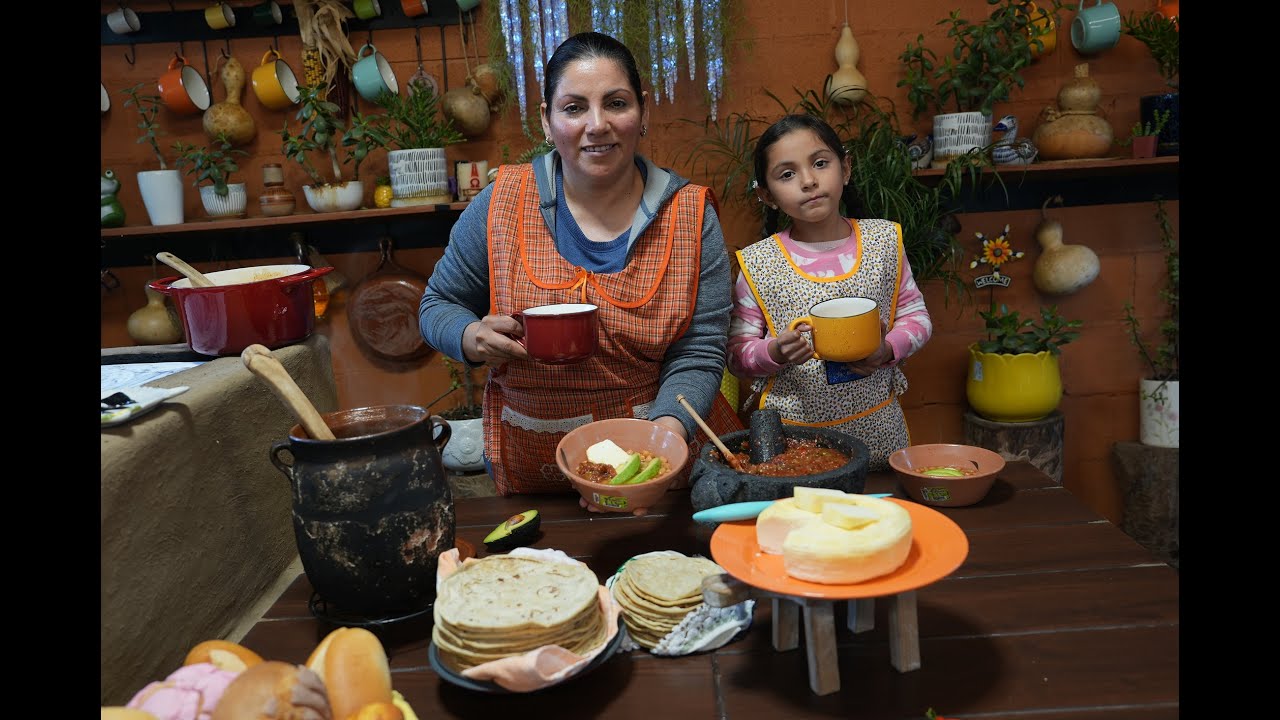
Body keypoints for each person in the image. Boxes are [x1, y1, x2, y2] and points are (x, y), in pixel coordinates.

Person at [419, 31, 741, 503]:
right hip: (533, 464)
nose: (597, 125)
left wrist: (661, 443)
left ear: (644, 112)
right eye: (573, 108)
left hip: (662, 465)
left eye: (616, 103)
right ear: (546, 121)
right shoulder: (500, 204)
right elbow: (437, 304)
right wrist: (471, 338)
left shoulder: (690, 216)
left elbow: (701, 349)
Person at [727, 114, 933, 471]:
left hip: (879, 431)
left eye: (820, 163)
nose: (809, 181)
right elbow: (737, 355)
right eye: (787, 174)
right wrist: (775, 350)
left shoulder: (885, 243)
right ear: (766, 194)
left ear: (846, 167)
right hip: (795, 442)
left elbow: (917, 317)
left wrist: (888, 349)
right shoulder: (757, 265)